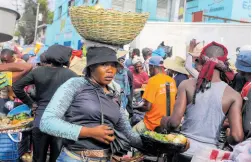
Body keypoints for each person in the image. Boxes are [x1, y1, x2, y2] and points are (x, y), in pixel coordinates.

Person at [39, 47, 142, 162]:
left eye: (113, 65)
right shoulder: (75, 85)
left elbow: (127, 133)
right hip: (75, 158)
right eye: (104, 64)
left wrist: (155, 143)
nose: (110, 70)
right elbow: (47, 122)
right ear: (91, 67)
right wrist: (89, 132)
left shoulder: (115, 95)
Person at [161, 42, 244, 160]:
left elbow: (174, 123)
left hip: (184, 151)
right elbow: (236, 137)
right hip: (208, 156)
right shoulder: (234, 95)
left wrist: (165, 121)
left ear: (202, 60)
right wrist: (228, 136)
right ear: (223, 64)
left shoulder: (186, 85)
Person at [13, 45, 78, 162]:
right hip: (61, 122)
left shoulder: (38, 72)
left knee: (38, 157)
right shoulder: (71, 75)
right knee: (56, 158)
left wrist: (31, 103)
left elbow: (17, 87)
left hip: (41, 119)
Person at [133, 56, 177, 134]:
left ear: (152, 66)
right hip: (167, 122)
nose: (149, 70)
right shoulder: (171, 80)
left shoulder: (152, 81)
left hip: (152, 124)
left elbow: (147, 107)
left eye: (149, 67)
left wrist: (135, 108)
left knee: (130, 135)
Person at [114, 50, 133, 118]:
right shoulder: (112, 70)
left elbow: (129, 90)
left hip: (123, 98)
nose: (120, 62)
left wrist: (130, 108)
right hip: (113, 97)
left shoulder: (127, 72)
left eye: (122, 60)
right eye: (119, 60)